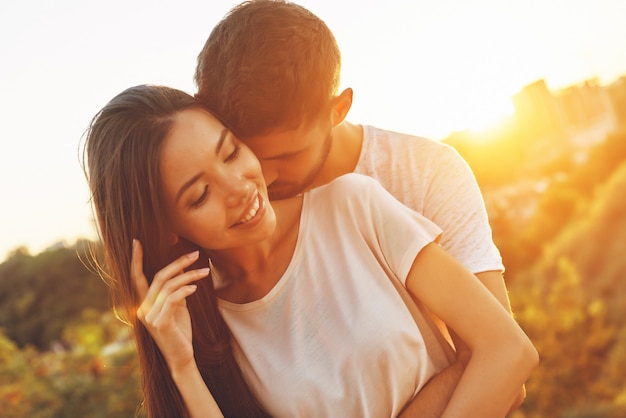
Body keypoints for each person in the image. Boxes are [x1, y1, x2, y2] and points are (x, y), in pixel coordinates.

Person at [83, 84, 537, 418]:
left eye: (231, 153)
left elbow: (509, 351)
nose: (239, 187)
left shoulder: (354, 206)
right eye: (200, 195)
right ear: (167, 231)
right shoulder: (207, 326)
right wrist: (182, 366)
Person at [194, 1, 523, 413]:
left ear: (338, 110)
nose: (264, 178)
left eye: (287, 155)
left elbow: (502, 370)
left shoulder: (425, 173)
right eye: (244, 153)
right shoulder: (244, 219)